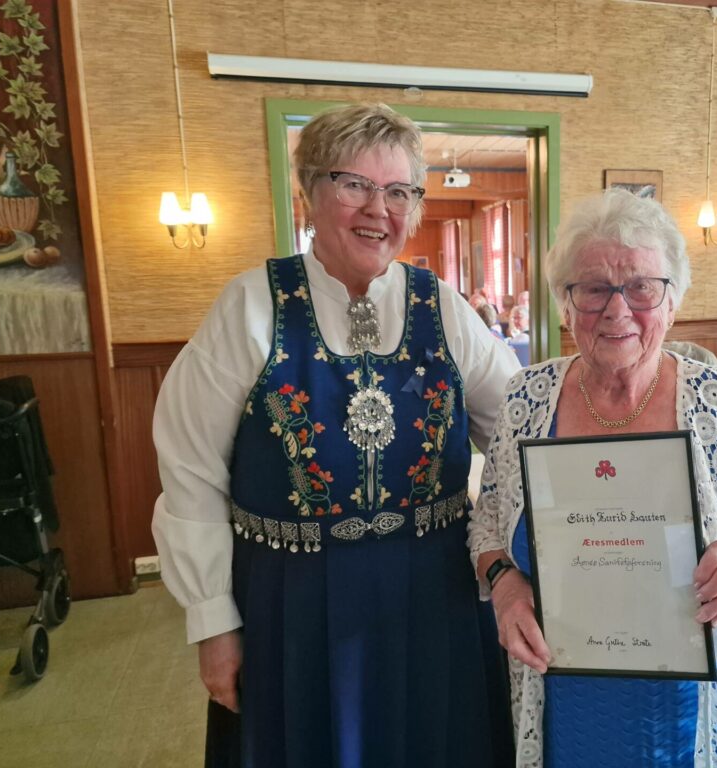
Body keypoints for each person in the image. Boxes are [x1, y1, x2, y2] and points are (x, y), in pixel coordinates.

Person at [151, 102, 518, 767]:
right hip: (293, 607)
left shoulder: (445, 310)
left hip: (436, 598)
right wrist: (212, 620)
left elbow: (520, 432)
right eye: (355, 185)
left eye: (400, 191)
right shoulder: (250, 307)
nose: (380, 209)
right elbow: (189, 471)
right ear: (310, 193)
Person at [467, 189, 717, 766]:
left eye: (642, 287)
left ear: (673, 301)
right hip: (563, 693)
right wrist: (503, 583)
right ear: (565, 303)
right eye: (595, 288)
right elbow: (489, 522)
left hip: (698, 700)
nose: (617, 310)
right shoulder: (527, 397)